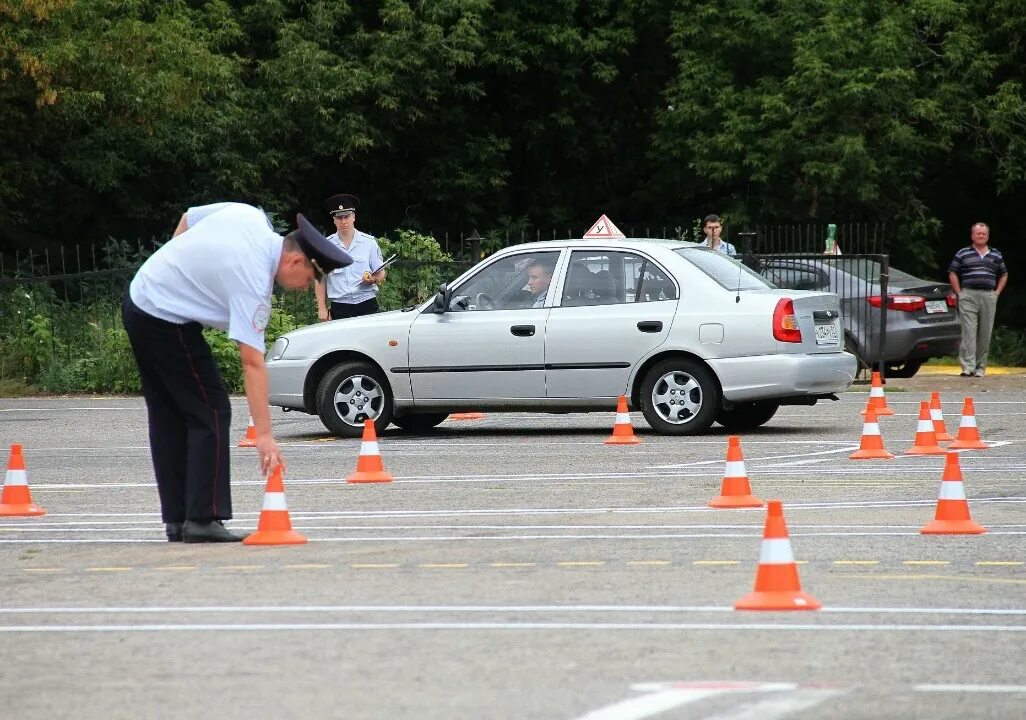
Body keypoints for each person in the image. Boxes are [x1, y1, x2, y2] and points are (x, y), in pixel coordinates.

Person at [123, 203, 352, 543]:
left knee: (170, 415)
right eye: (310, 279)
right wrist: (265, 436)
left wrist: (171, 269)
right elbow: (252, 362)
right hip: (164, 318)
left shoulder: (250, 216)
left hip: (140, 298)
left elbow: (189, 216)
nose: (306, 288)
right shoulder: (254, 282)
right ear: (294, 261)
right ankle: (202, 519)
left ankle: (179, 519)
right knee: (211, 409)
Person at [947, 222, 1008, 377]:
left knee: (985, 332)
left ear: (987, 236)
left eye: (984, 234)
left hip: (988, 295)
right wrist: (959, 293)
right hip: (968, 295)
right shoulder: (963, 253)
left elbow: (1004, 274)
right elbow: (952, 272)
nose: (981, 236)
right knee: (969, 331)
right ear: (972, 235)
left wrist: (997, 293)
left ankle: (981, 368)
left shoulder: (996, 254)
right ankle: (968, 367)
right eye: (978, 233)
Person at [315, 193, 387, 320]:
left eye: (346, 217)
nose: (343, 221)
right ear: (334, 220)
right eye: (339, 218)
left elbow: (381, 273)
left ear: (353, 217)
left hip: (366, 303)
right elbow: (320, 279)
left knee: (369, 340)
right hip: (340, 307)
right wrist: (322, 308)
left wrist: (373, 279)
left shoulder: (369, 243)